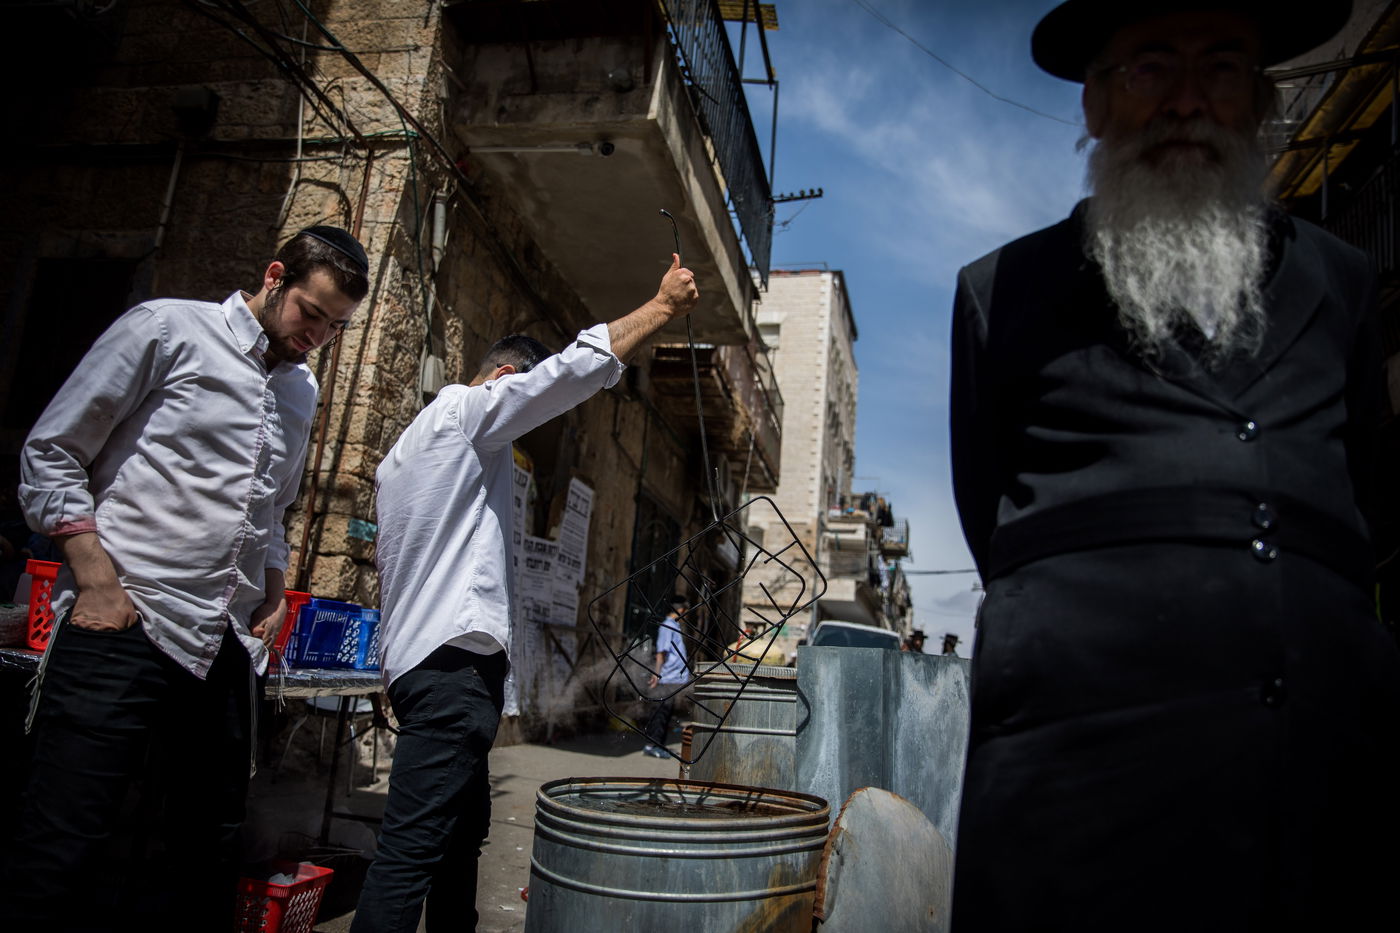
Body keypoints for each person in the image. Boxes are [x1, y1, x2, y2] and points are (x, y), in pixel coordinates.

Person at [949, 2, 1400, 929]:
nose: (1186, 100)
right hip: (1073, 796)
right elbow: (992, 520)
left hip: (1315, 788)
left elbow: (1370, 502)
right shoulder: (1001, 294)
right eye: (1151, 68)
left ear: (1260, 100)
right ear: (1095, 103)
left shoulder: (1344, 283)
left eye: (1222, 68)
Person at [2, 226, 367, 929]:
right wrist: (98, 582)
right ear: (273, 276)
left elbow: (274, 504)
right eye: (310, 313)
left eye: (336, 325)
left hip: (220, 639)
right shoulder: (166, 329)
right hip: (123, 620)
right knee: (63, 842)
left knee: (211, 843)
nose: (317, 334)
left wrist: (271, 586)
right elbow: (51, 454)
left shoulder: (300, 391)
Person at [353, 254, 698, 932]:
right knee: (413, 852)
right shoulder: (463, 411)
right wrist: (660, 308)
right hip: (451, 674)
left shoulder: (406, 453)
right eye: (519, 396)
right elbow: (567, 374)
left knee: (456, 843)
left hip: (425, 668)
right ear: (505, 380)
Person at [643, 594, 692, 757]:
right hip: (666, 676)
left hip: (673, 677)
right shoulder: (667, 626)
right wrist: (656, 673)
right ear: (681, 610)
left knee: (667, 712)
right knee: (660, 712)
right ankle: (652, 745)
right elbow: (661, 652)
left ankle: (660, 745)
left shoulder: (675, 626)